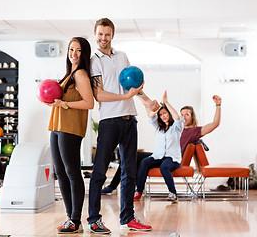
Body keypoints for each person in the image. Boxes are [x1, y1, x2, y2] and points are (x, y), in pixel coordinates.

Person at [87, 18, 158, 234]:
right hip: (109, 122)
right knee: (100, 172)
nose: (103, 38)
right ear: (95, 34)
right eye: (100, 34)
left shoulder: (122, 56)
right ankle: (93, 219)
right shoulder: (94, 61)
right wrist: (125, 96)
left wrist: (146, 101)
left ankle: (127, 218)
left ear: (113, 35)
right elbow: (98, 94)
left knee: (130, 172)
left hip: (130, 120)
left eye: (107, 34)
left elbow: (131, 84)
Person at [103, 95, 222, 199]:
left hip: (172, 158)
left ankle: (150, 190)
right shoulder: (167, 127)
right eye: (182, 114)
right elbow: (152, 116)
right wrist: (142, 97)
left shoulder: (194, 131)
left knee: (147, 161)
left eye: (187, 115)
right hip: (161, 155)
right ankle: (116, 186)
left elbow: (215, 124)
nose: (184, 117)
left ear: (192, 117)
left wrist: (218, 105)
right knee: (133, 156)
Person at [47, 37, 94, 234]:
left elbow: (89, 103)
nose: (73, 53)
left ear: (84, 54)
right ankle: (70, 218)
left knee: (73, 173)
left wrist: (63, 104)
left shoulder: (81, 74)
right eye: (71, 49)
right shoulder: (69, 74)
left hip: (70, 128)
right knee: (61, 173)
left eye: (78, 50)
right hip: (57, 126)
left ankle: (75, 218)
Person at [135, 91, 184, 203]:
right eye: (161, 115)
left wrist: (166, 102)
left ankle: (173, 193)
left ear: (169, 114)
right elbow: (150, 116)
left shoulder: (177, 127)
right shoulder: (159, 127)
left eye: (165, 113)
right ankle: (139, 192)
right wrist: (155, 108)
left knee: (164, 167)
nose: (163, 116)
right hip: (158, 156)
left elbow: (177, 117)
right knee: (144, 162)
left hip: (172, 158)